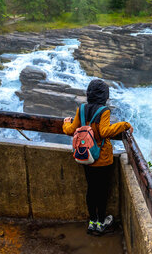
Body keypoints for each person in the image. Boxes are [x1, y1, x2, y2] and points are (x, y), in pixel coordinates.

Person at [63, 79, 133, 235]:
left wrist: (65, 123)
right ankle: (101, 223)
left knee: (91, 190)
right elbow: (105, 132)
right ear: (105, 96)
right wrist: (124, 125)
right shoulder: (104, 111)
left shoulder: (81, 109)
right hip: (102, 158)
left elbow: (70, 130)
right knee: (102, 191)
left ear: (89, 94)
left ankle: (92, 222)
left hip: (85, 156)